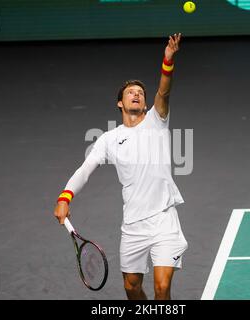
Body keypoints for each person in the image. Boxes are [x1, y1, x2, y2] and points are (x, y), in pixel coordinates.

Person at [54, 33, 188, 300]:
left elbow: (164, 90)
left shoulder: (156, 120)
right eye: (130, 93)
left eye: (140, 93)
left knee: (162, 288)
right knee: (131, 288)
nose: (136, 95)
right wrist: (64, 197)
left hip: (164, 220)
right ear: (120, 103)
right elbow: (85, 169)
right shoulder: (108, 139)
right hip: (133, 225)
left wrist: (168, 60)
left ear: (146, 103)